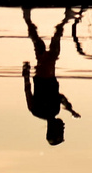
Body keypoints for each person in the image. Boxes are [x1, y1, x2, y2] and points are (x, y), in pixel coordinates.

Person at [22, 8, 81, 145]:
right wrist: (26, 75)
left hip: (46, 74)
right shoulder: (36, 112)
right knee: (40, 46)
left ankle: (65, 20)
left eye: (61, 130)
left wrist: (70, 108)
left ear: (53, 129)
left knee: (52, 50)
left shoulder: (52, 110)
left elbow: (59, 97)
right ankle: (28, 18)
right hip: (42, 74)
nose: (64, 127)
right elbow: (28, 92)